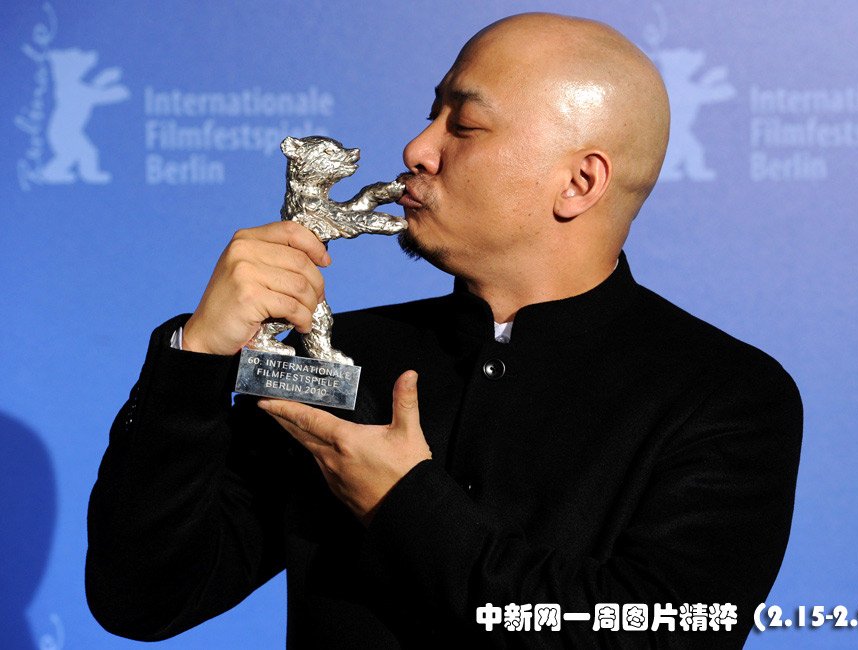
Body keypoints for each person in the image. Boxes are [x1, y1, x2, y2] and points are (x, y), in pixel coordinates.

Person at [86, 12, 802, 650]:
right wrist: (197, 357)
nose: (417, 147)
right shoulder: (340, 360)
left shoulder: (727, 396)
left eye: (464, 126)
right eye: (433, 114)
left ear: (579, 183)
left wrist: (403, 503)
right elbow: (143, 599)